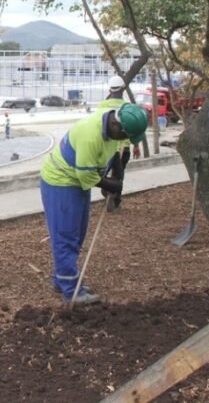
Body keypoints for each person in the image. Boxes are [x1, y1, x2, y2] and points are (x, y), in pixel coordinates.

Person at [39, 103, 148, 305]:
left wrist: (116, 173)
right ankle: (71, 292)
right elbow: (86, 175)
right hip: (61, 182)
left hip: (77, 182)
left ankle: (62, 279)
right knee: (66, 235)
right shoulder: (91, 135)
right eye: (125, 135)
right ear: (117, 125)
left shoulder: (113, 129)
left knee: (77, 234)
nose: (124, 140)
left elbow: (113, 153)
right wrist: (108, 185)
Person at [96, 75, 141, 210]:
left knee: (104, 172)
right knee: (119, 174)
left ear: (110, 90)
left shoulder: (102, 105)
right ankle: (115, 199)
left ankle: (108, 192)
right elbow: (133, 129)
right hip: (124, 146)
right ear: (123, 89)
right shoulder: (127, 107)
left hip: (107, 147)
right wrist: (136, 146)